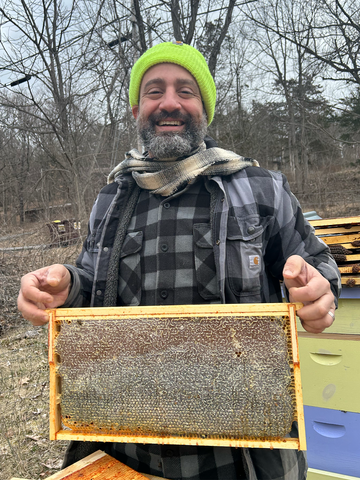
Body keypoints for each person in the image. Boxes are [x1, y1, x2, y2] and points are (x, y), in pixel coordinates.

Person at [18, 42, 341, 480]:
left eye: (185, 90)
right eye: (154, 91)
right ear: (136, 109)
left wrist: (318, 292)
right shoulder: (110, 199)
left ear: (204, 106)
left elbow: (318, 264)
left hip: (242, 459)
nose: (169, 102)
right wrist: (64, 285)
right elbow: (91, 283)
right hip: (125, 445)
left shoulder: (263, 188)